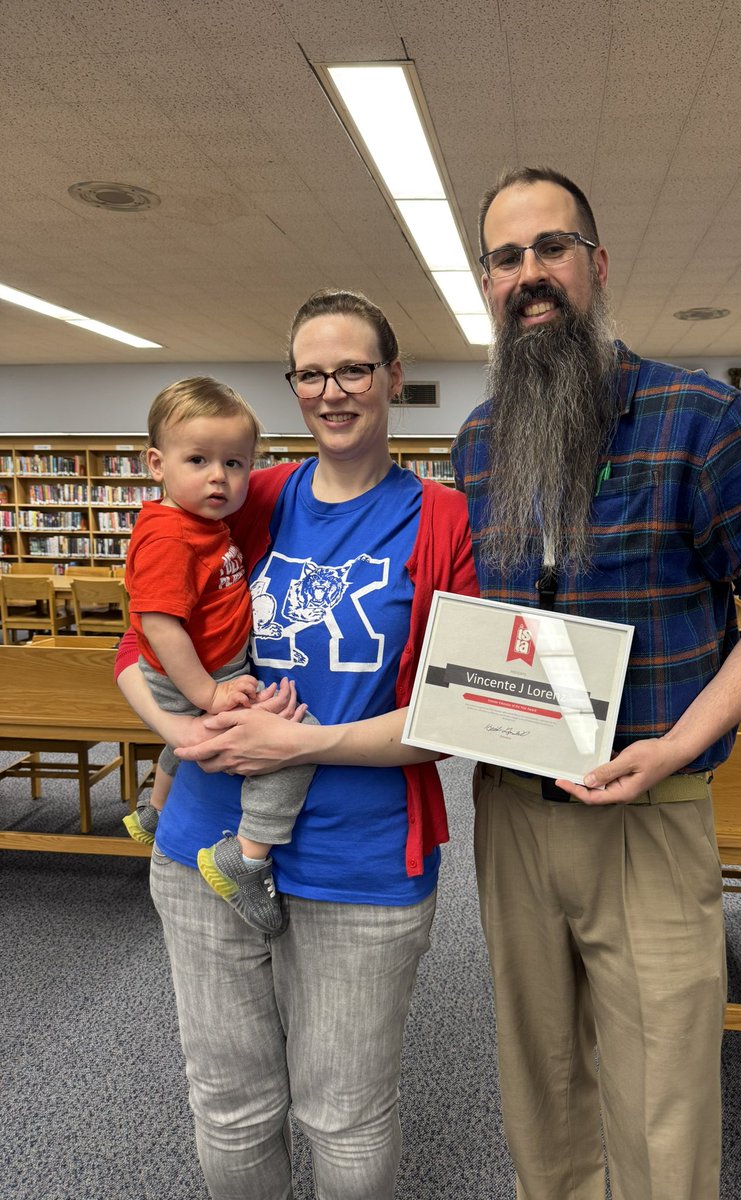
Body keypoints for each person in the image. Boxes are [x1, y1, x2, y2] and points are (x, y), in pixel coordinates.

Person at [451, 167, 741, 1200]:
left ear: (597, 265)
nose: (530, 275)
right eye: (506, 256)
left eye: (552, 248)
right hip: (514, 817)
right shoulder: (480, 441)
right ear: (487, 281)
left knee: (663, 1110)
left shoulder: (695, 417)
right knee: (542, 1092)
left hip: (650, 815)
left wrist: (679, 741)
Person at [116, 289, 478, 1200]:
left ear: (393, 377)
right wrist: (179, 731)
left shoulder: (443, 521)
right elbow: (148, 632)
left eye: (354, 368)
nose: (333, 391)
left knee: (345, 1111)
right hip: (203, 843)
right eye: (311, 373)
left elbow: (460, 714)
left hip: (361, 863)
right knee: (230, 1101)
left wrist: (292, 744)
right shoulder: (246, 492)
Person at [121, 376, 317, 936]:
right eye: (199, 459)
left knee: (183, 744)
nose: (219, 477)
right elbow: (158, 627)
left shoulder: (204, 525)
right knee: (298, 743)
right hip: (199, 677)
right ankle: (249, 856)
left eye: (235, 463)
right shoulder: (169, 538)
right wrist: (207, 694)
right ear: (156, 463)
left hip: (209, 670)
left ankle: (154, 809)